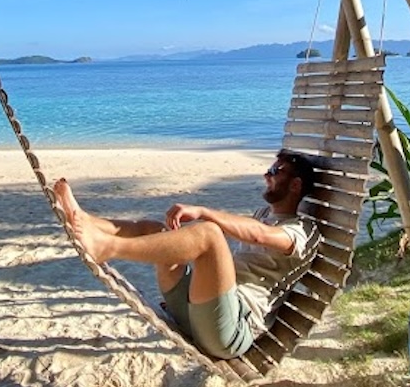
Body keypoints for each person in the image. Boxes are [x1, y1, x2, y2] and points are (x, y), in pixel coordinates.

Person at [52, 150, 321, 360]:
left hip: (231, 329)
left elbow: (258, 235)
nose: (267, 175)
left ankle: (107, 247)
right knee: (156, 229)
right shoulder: (264, 215)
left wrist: (202, 211)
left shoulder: (304, 231)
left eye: (276, 170)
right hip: (198, 311)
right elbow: (251, 228)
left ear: (296, 185)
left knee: (210, 234)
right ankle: (86, 220)